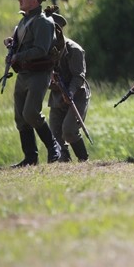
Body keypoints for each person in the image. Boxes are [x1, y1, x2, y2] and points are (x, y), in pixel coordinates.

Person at [5, 0, 62, 166]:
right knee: (20, 117)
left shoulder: (43, 22)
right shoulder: (24, 21)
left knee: (31, 113)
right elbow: (24, 43)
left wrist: (18, 56)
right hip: (24, 73)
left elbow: (41, 49)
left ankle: (54, 147)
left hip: (39, 73)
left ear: (35, 1)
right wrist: (12, 46)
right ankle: (30, 158)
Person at [47, 11, 90, 162]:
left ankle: (83, 159)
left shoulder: (74, 50)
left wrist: (69, 92)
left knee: (69, 131)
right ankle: (63, 161)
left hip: (76, 95)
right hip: (56, 96)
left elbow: (79, 77)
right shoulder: (43, 50)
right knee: (54, 135)